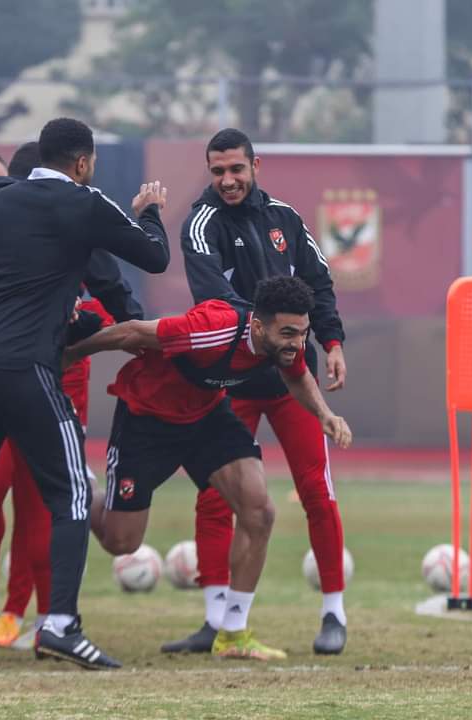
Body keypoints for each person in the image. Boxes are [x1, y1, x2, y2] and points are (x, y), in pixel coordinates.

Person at [0, 118, 169, 668]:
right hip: (22, 364)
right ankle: (59, 625)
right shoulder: (82, 201)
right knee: (73, 491)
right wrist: (150, 211)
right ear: (82, 163)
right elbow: (154, 257)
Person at [70, 275, 352, 662]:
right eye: (288, 333)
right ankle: (84, 490)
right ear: (258, 327)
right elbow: (132, 332)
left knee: (259, 510)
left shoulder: (285, 348)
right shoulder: (213, 327)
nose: (296, 343)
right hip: (147, 419)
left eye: (302, 333)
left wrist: (325, 415)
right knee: (122, 542)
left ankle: (233, 632)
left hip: (207, 418)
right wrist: (68, 355)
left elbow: (298, 376)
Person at [168, 128, 350, 655]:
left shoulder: (285, 218)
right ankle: (216, 618)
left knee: (317, 491)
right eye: (218, 171)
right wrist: (264, 336)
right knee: (214, 497)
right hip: (232, 380)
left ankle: (334, 614)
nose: (227, 180)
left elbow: (319, 283)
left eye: (236, 170)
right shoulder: (201, 224)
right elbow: (212, 296)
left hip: (293, 378)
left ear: (255, 166)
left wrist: (332, 341)